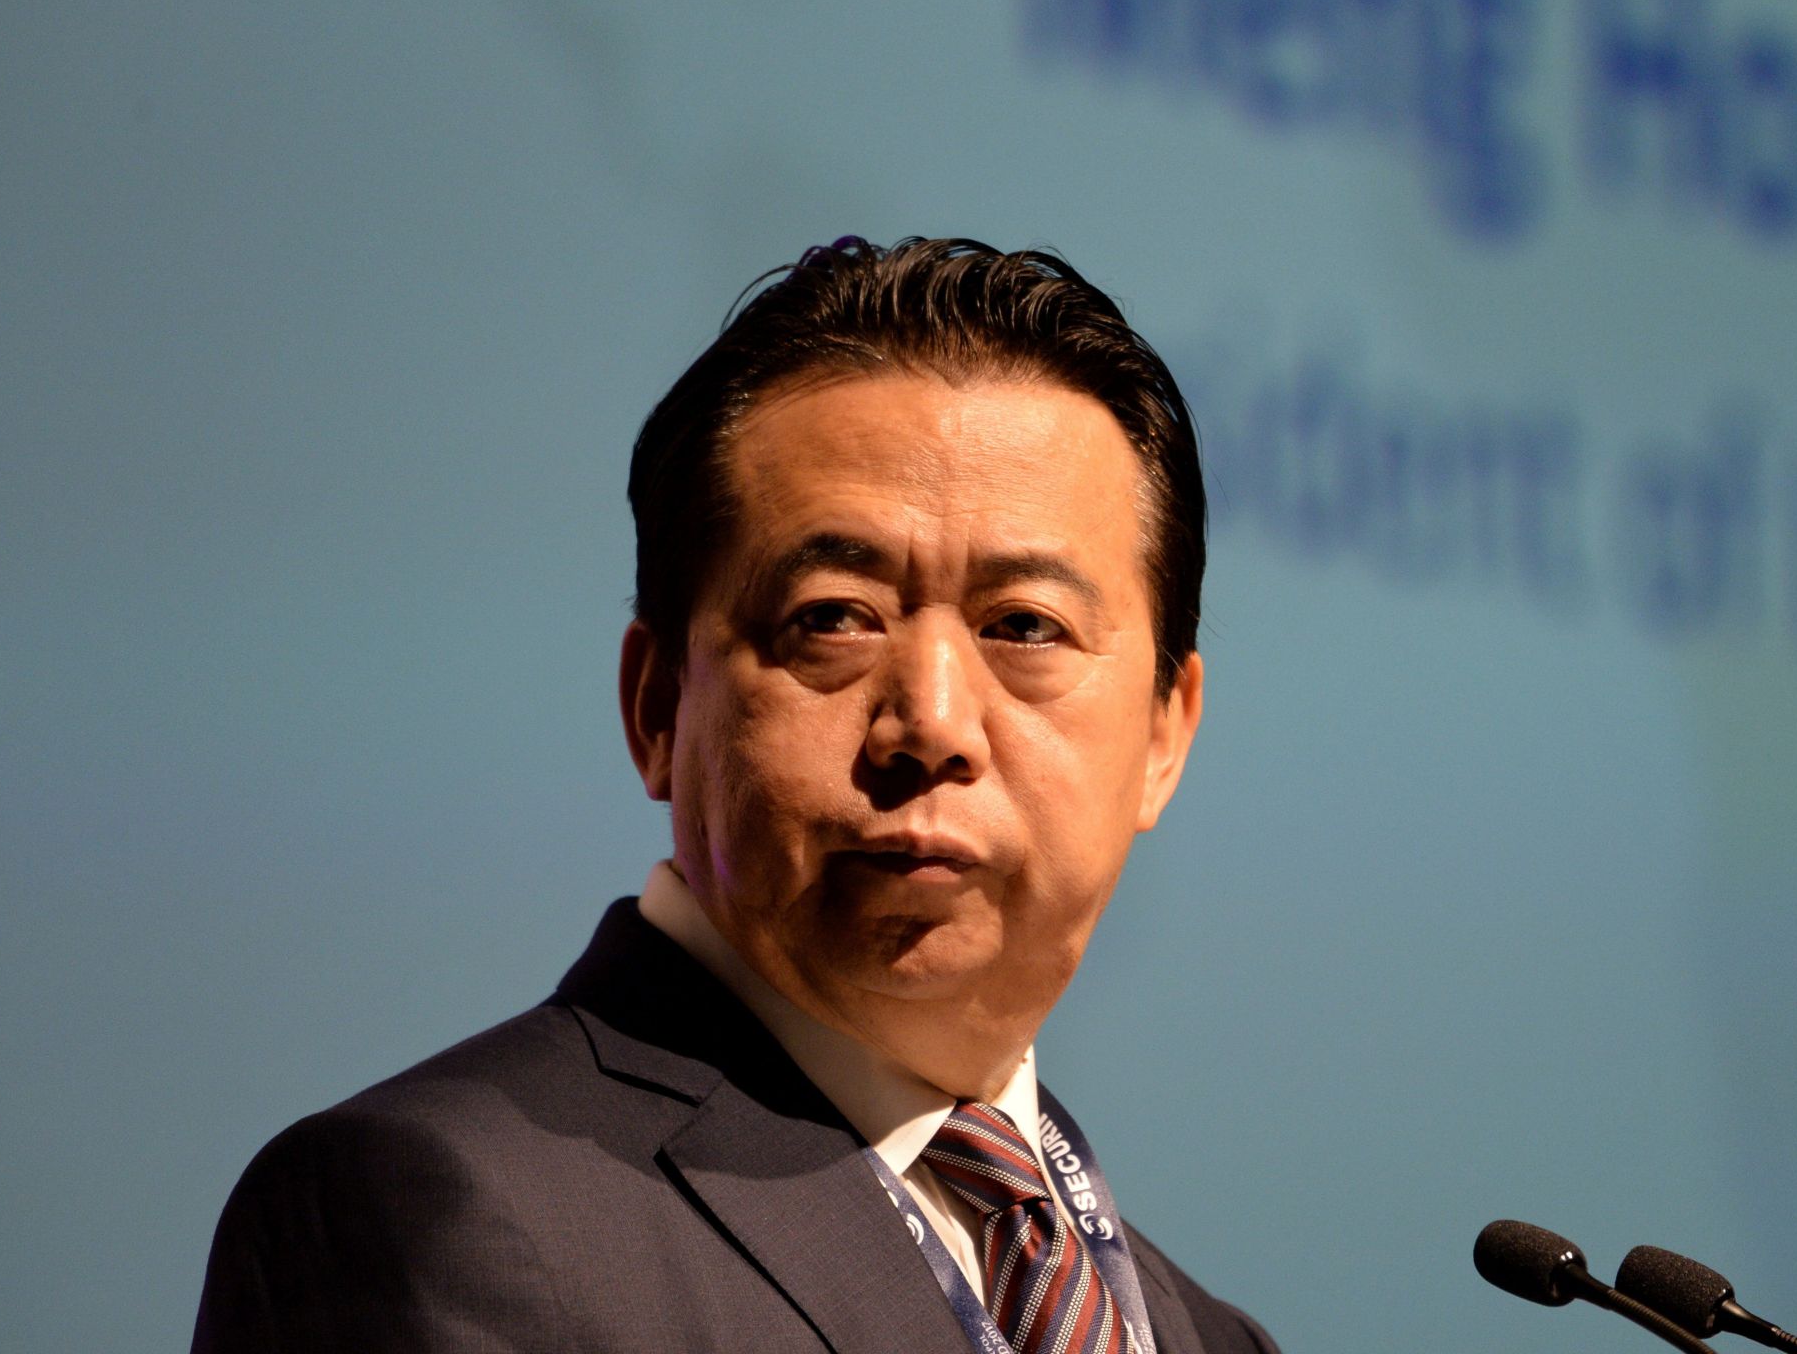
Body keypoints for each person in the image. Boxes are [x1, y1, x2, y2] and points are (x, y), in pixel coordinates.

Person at [193, 236, 1278, 1354]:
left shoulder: (1209, 1338)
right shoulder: (440, 1213)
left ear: (1163, 732)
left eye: (1024, 628)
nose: (935, 725)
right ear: (659, 706)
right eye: (835, 617)